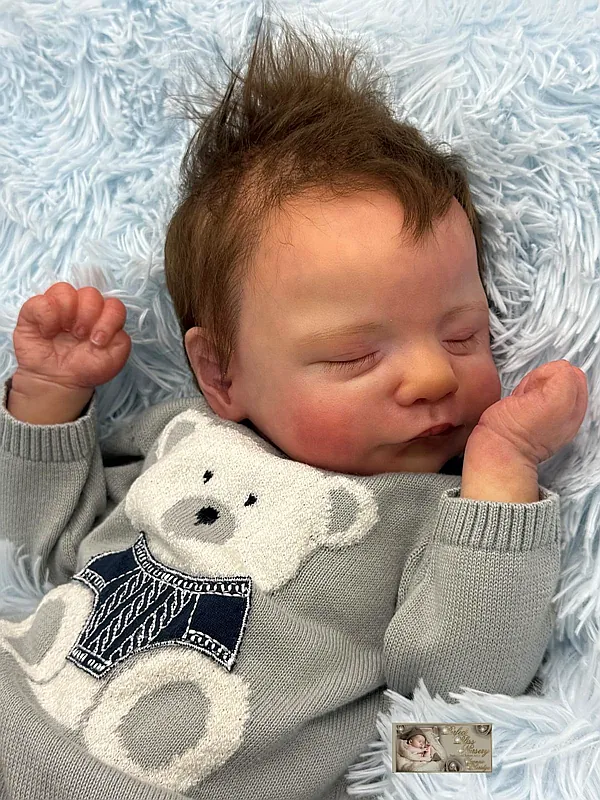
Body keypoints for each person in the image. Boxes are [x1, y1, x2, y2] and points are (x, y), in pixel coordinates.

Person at [0, 11, 588, 800]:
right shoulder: (182, 438)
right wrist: (49, 396)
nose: (431, 377)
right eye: (353, 355)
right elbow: (42, 546)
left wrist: (503, 471)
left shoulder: (440, 519)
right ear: (222, 374)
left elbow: (464, 709)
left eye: (463, 336)